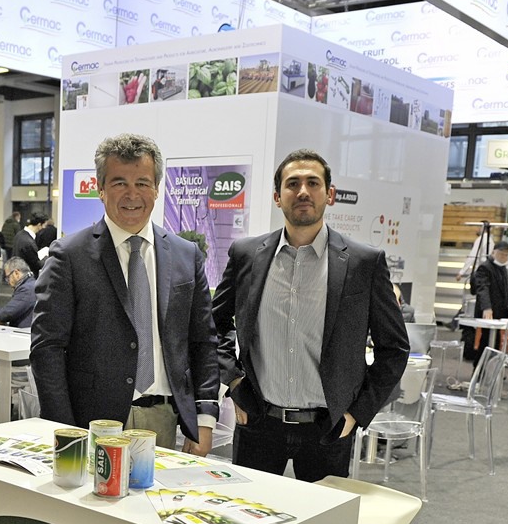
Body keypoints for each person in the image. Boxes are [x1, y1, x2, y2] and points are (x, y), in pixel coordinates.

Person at [212, 148, 409, 480]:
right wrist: (234, 382)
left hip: (328, 429)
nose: (303, 191)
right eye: (292, 184)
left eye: (313, 183)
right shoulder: (246, 255)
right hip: (258, 422)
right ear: (277, 197)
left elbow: (395, 348)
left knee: (324, 515)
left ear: (329, 195)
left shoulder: (363, 263)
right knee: (250, 512)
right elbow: (213, 325)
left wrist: (356, 413)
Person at [32, 132, 219, 454]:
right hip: (91, 423)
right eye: (119, 183)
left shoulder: (186, 256)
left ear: (156, 189)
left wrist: (204, 418)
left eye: (143, 183)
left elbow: (203, 342)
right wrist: (63, 429)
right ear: (101, 189)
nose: (132, 194)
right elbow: (47, 348)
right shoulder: (69, 256)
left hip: (164, 419)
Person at [465, 240, 508, 369]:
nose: (504, 257)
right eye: (501, 254)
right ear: (493, 252)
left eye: (506, 255)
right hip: (489, 312)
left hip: (499, 313)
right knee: (488, 342)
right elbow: (482, 288)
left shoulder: (502, 268)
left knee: (493, 342)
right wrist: (487, 308)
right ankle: (481, 370)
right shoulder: (485, 267)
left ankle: (487, 370)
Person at [0, 257, 35, 328]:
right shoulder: (31, 284)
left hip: (22, 333)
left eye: (8, 277)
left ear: (16, 273)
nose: (7, 281)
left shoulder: (26, 289)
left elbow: (4, 314)